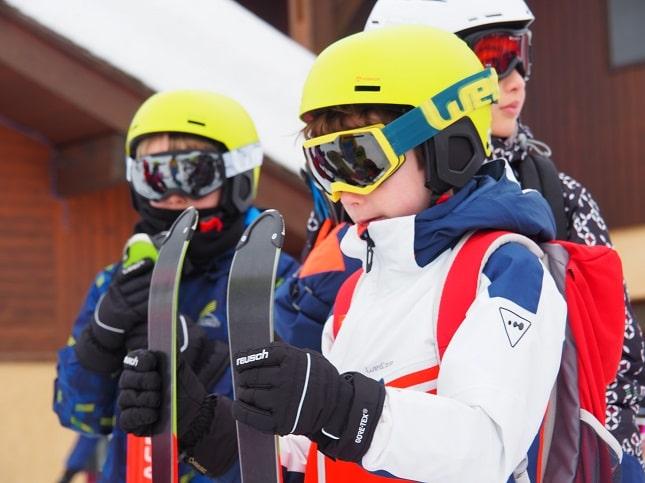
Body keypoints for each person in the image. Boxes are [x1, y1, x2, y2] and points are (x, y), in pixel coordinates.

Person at [119, 25, 568, 481]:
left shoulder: (503, 270)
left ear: (448, 147)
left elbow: (485, 448)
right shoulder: (357, 289)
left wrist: (338, 405)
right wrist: (200, 422)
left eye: (360, 159)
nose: (340, 189)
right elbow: (307, 450)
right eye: (324, 163)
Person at [276, 0, 645, 476]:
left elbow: (609, 379)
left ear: (448, 139)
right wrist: (218, 428)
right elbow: (317, 420)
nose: (512, 80)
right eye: (488, 61)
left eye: (518, 54)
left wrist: (342, 408)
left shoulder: (513, 248)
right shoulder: (353, 256)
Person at [53, 89, 299, 482]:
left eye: (193, 174)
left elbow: (290, 422)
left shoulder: (277, 281)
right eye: (155, 176)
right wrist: (99, 343)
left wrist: (198, 356)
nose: (172, 195)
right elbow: (79, 414)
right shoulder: (116, 283)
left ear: (236, 178)